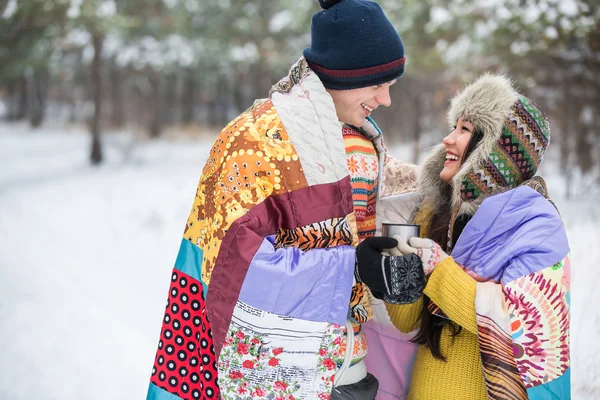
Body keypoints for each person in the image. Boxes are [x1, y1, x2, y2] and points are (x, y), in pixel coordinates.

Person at [145, 1, 421, 399]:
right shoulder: (255, 142)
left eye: (391, 85)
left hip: (353, 369)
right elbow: (230, 268)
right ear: (346, 72)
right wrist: (354, 267)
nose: (387, 99)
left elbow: (400, 196)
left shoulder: (362, 139)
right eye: (378, 83)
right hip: (279, 377)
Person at [356, 74, 571, 399]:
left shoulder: (536, 226)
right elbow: (410, 322)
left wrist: (436, 268)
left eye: (464, 130)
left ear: (495, 150)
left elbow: (519, 329)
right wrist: (394, 278)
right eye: (453, 127)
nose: (447, 139)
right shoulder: (435, 212)